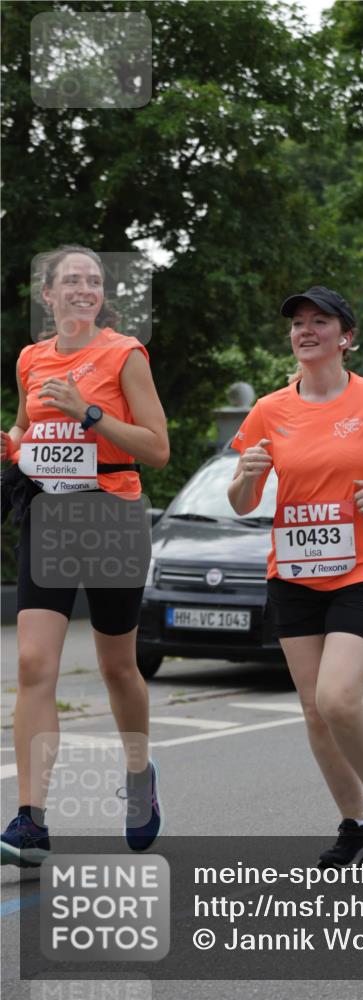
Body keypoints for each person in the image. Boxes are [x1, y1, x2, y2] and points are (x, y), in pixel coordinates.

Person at [228, 286, 363, 867]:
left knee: (337, 697)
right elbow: (242, 501)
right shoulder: (270, 410)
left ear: (344, 337)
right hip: (294, 573)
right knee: (314, 710)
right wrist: (247, 475)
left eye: (319, 321)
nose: (305, 330)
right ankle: (352, 824)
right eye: (297, 322)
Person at [1, 245, 169, 866]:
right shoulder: (30, 359)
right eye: (70, 280)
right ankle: (31, 820)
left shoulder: (124, 354)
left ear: (101, 297)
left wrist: (90, 412)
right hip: (49, 518)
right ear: (47, 295)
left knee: (117, 668)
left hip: (111, 518)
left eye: (93, 281)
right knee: (33, 665)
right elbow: (27, 427)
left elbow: (157, 448)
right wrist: (11, 442)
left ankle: (140, 776)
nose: (83, 288)